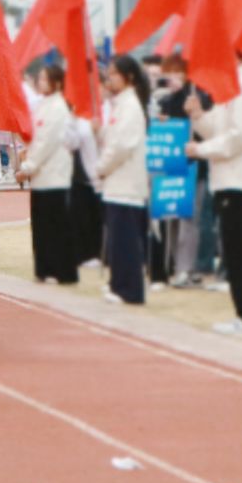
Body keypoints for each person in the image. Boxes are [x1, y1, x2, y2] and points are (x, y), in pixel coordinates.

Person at [187, 58, 242, 337]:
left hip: (241, 179)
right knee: (233, 249)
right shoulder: (229, 86)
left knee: (239, 251)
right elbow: (217, 129)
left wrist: (202, 150)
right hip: (229, 178)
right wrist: (198, 116)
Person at [98, 54, 152, 306]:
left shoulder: (130, 105)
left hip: (126, 183)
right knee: (118, 239)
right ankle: (119, 284)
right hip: (117, 183)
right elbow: (111, 139)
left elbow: (121, 146)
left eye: (114, 74)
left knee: (126, 239)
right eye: (109, 73)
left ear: (128, 77)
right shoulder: (120, 104)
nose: (109, 78)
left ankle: (130, 290)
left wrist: (102, 167)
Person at [17, 63, 77, 284]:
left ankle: (61, 271)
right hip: (41, 178)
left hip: (54, 176)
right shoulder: (42, 105)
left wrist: (28, 167)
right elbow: (36, 138)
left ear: (57, 83)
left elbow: (47, 143)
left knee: (55, 226)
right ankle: (44, 268)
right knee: (41, 226)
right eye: (40, 78)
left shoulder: (58, 108)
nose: (40, 82)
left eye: (44, 79)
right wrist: (27, 150)